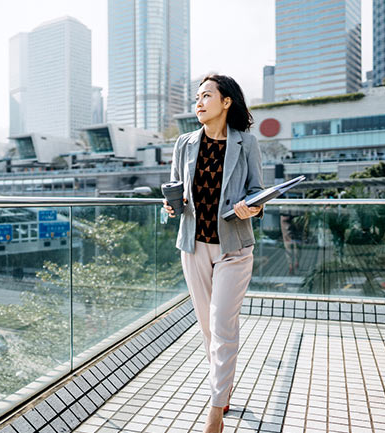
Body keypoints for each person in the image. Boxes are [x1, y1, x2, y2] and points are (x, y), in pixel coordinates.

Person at [163, 74, 263, 433]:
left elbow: (257, 191)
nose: (199, 103)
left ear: (226, 102)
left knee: (223, 327)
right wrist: (170, 207)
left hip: (234, 248)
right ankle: (224, 389)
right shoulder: (185, 144)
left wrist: (251, 207)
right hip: (193, 247)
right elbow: (174, 194)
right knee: (208, 329)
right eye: (196, 97)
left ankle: (215, 411)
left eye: (207, 96)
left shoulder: (245, 143)